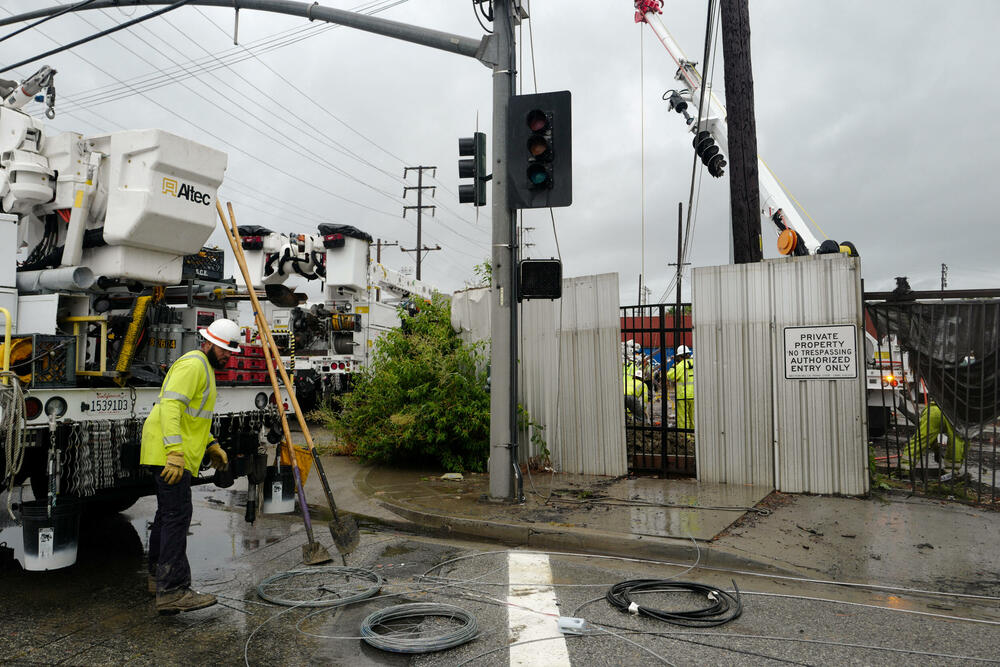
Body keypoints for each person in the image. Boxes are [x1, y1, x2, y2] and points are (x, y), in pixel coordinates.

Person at [140, 318, 240, 615]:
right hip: (170, 453)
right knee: (177, 516)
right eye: (223, 349)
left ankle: (158, 578)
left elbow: (193, 418)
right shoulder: (194, 365)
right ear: (207, 342)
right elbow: (170, 407)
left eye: (229, 351)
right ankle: (173, 591)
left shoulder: (204, 369)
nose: (226, 355)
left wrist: (210, 444)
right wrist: (174, 452)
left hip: (171, 450)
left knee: (167, 515)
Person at [902, 401, 966, 470]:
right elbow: (965, 442)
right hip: (954, 414)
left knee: (921, 439)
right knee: (956, 441)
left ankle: (905, 466)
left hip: (934, 410)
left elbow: (930, 437)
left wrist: (936, 449)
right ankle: (952, 469)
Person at [665, 345, 694, 431]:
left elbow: (671, 376)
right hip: (694, 395)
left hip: (682, 396)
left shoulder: (681, 365)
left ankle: (685, 437)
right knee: (693, 418)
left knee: (683, 419)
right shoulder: (695, 362)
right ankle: (693, 436)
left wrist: (674, 366)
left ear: (680, 356)